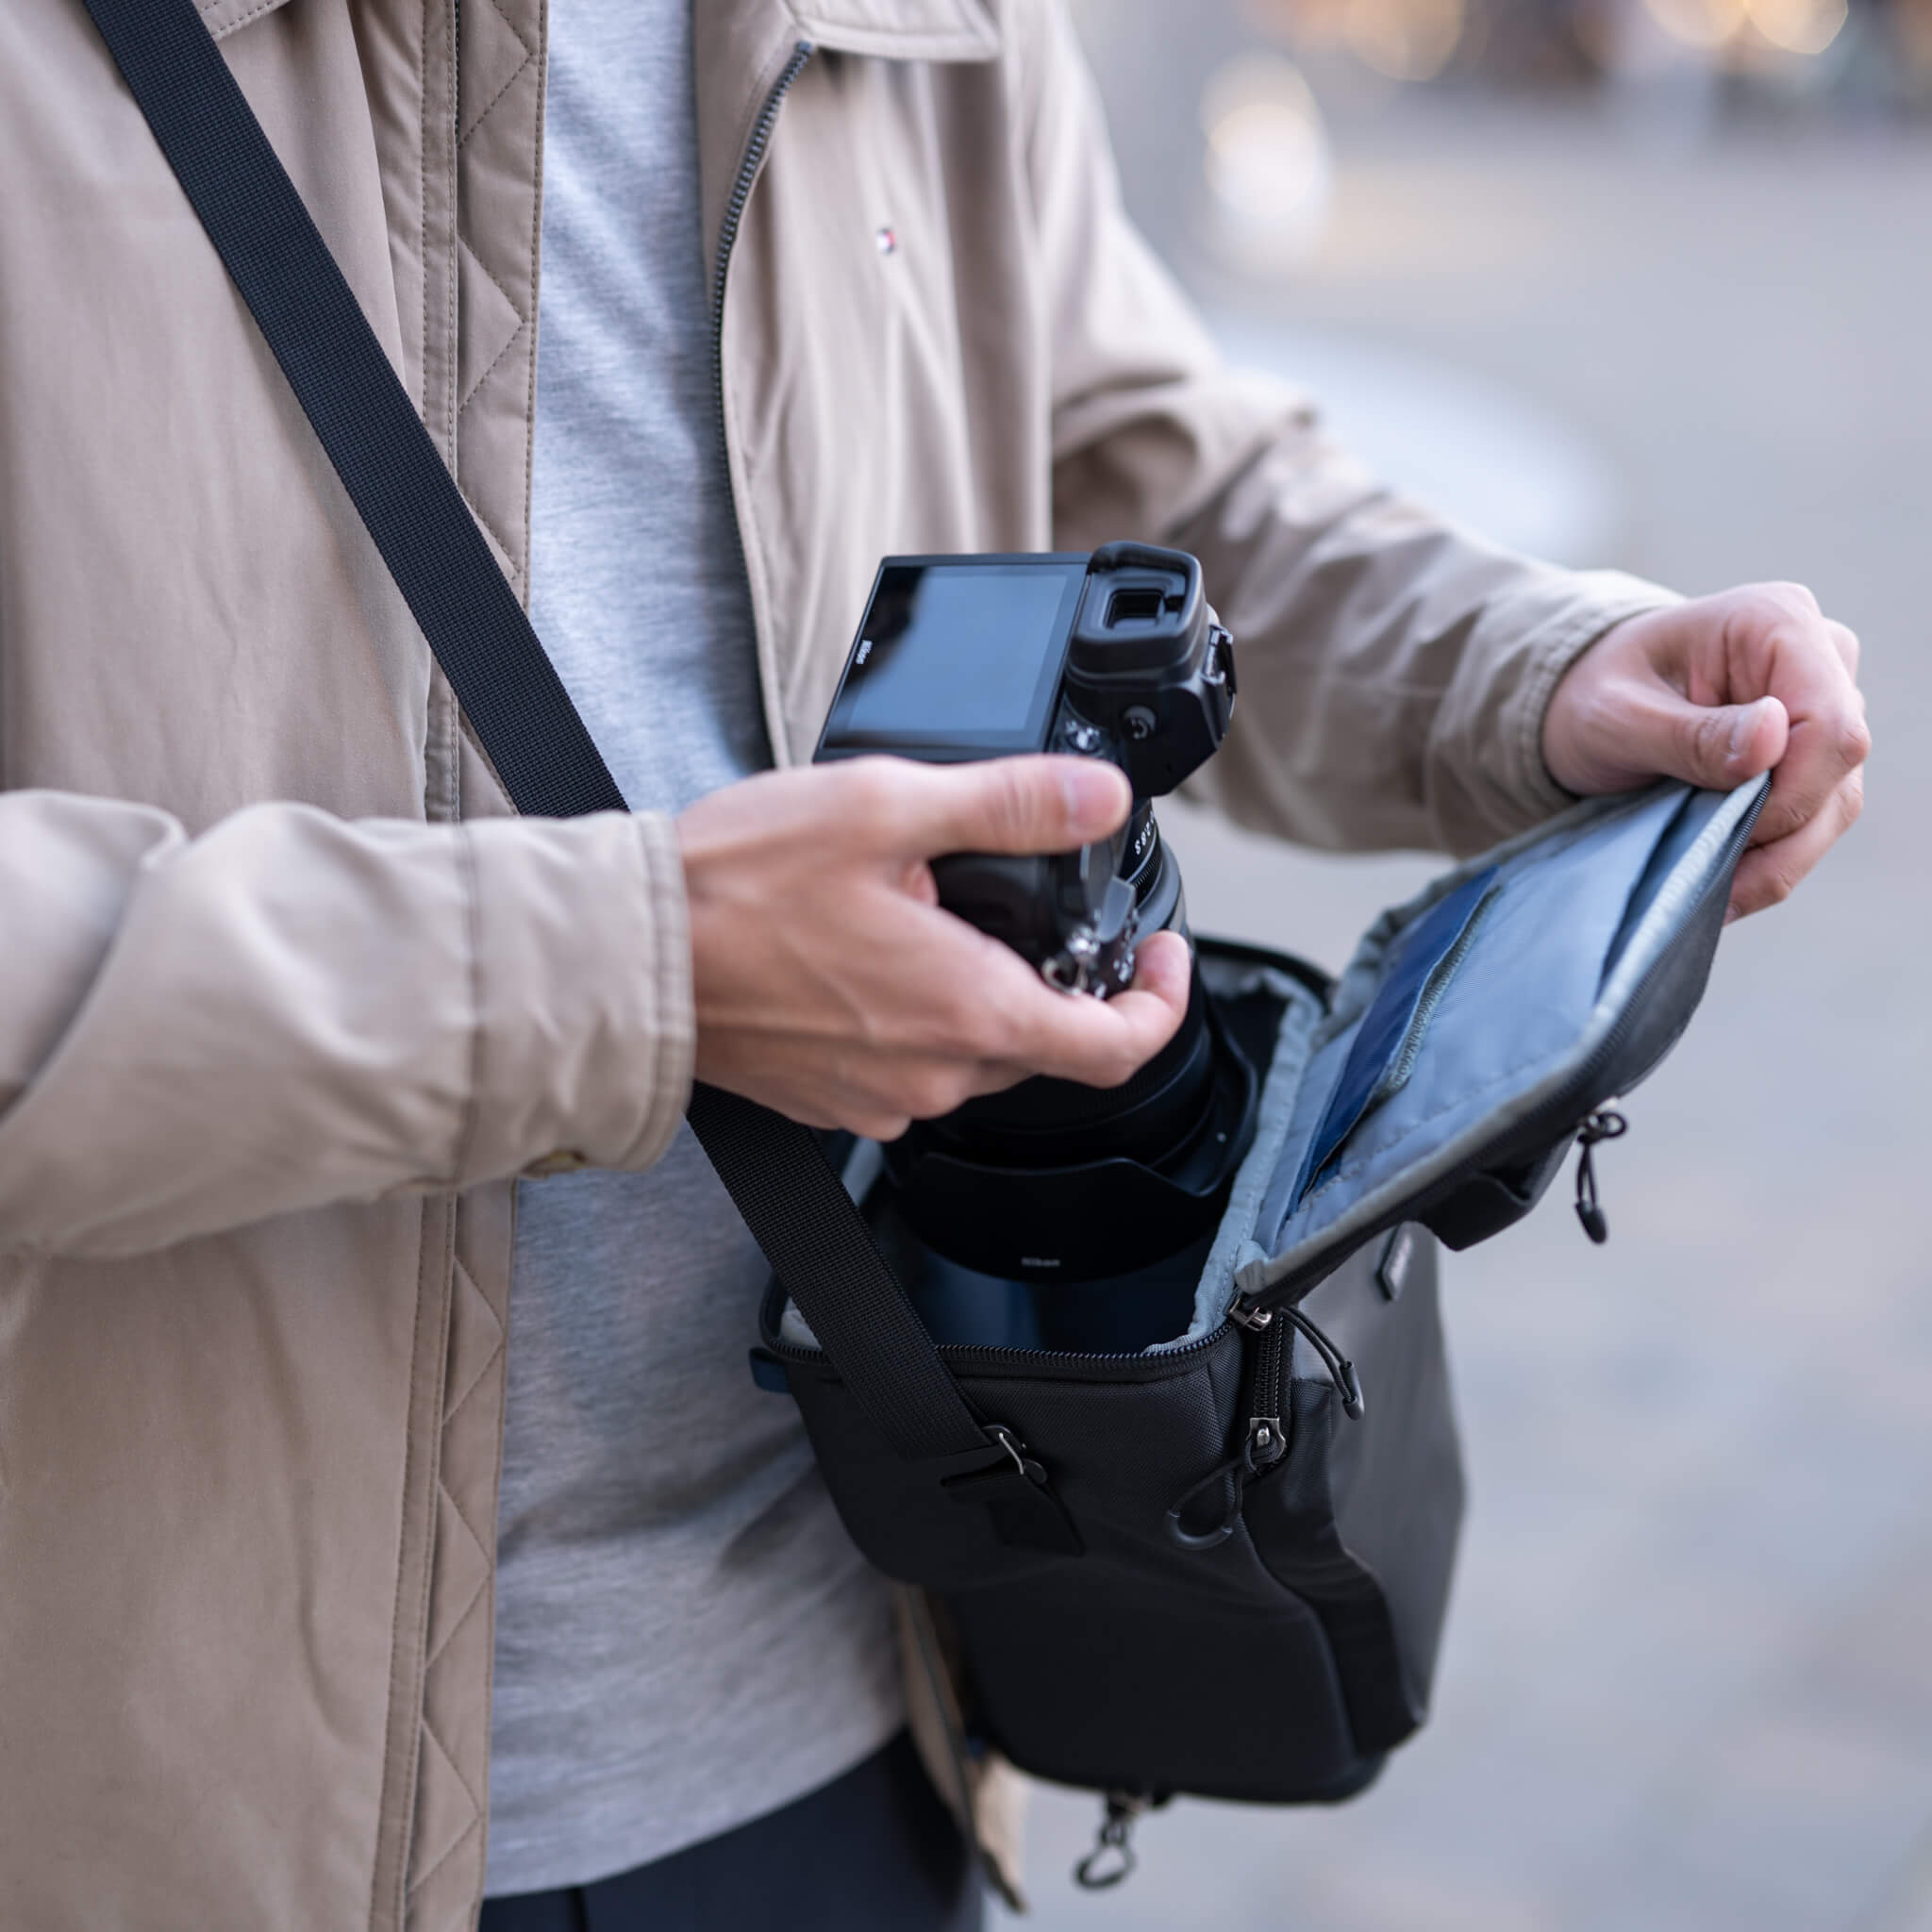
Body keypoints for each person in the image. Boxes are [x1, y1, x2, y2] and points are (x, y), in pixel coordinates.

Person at [0, 1, 1868, 1927]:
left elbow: (1127, 460)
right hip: (141, 1808)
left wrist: (1527, 668)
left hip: (852, 1707)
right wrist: (627, 974)